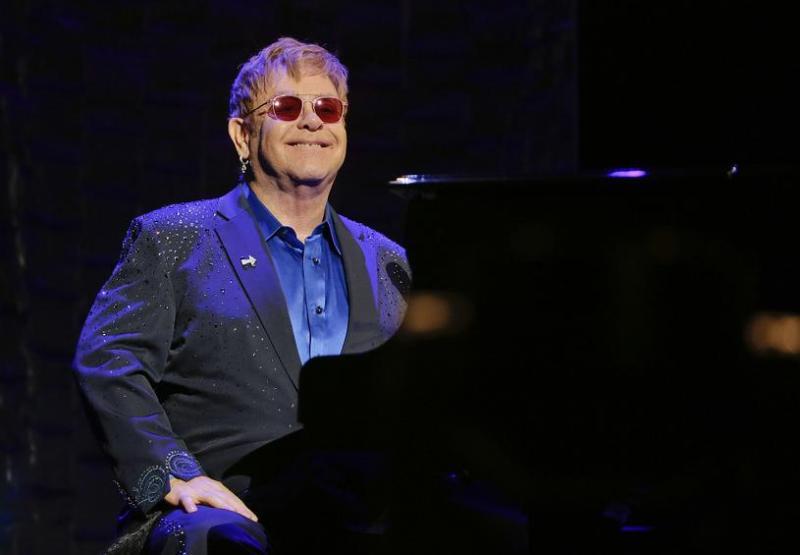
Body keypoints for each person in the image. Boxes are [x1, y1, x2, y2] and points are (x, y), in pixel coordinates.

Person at [73, 37, 411, 554]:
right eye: (287, 107)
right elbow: (108, 361)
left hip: (355, 519)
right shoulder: (174, 238)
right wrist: (171, 475)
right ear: (242, 134)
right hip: (224, 515)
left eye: (327, 108)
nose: (312, 122)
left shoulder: (388, 262)